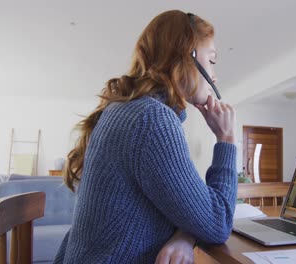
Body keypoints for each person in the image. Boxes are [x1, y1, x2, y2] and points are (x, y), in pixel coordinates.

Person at [54, 10, 237, 264]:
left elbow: (186, 206)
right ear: (187, 56)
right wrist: (226, 139)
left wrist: (185, 234)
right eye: (212, 60)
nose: (214, 75)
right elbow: (218, 223)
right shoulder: (152, 121)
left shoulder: (130, 110)